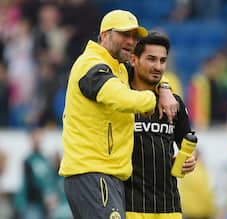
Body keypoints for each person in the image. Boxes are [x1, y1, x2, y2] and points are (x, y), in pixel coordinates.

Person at [59, 10, 178, 219]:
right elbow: (120, 98)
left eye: (134, 36)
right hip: (92, 172)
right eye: (124, 34)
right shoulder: (91, 64)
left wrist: (164, 87)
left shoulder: (119, 67)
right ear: (104, 35)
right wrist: (152, 99)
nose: (131, 41)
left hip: (106, 175)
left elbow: (149, 73)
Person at [124, 31, 197, 219]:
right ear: (134, 60)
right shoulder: (121, 99)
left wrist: (188, 161)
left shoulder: (175, 103)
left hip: (169, 207)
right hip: (130, 206)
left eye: (162, 61)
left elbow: (186, 144)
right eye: (151, 59)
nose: (158, 66)